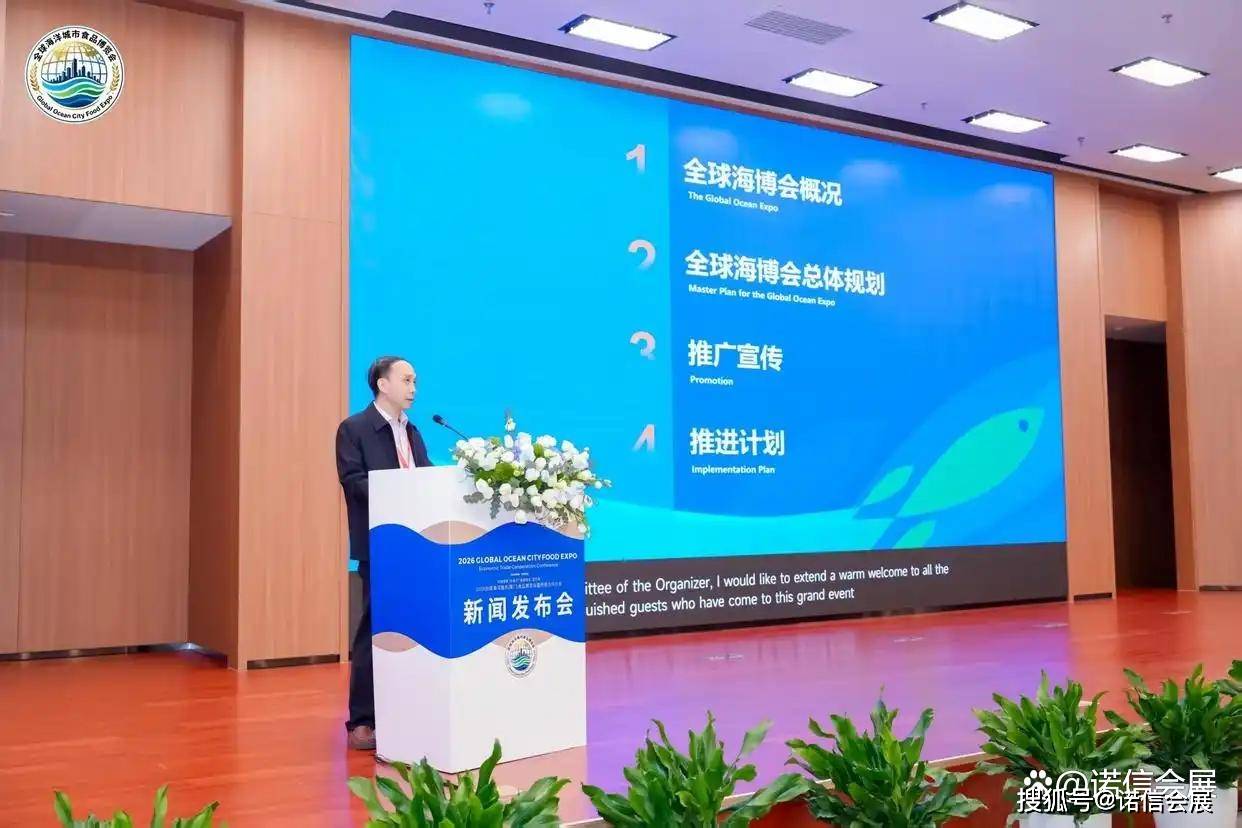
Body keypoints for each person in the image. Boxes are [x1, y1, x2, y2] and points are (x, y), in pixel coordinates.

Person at [335, 356, 432, 750]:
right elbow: (353, 481)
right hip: (380, 545)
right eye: (406, 380)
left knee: (415, 631)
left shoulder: (412, 432)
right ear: (382, 384)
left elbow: (427, 478)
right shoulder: (354, 429)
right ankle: (362, 720)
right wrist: (397, 492)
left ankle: (406, 713)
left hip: (418, 546)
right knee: (373, 630)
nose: (413, 388)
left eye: (415, 381)